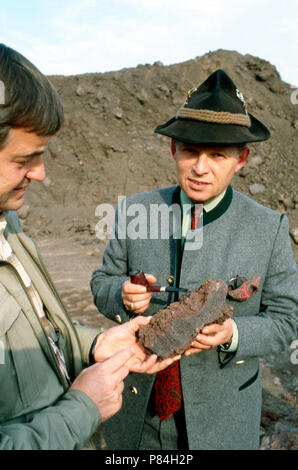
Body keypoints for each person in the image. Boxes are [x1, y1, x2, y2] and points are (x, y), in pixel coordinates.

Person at [91, 69, 298, 450]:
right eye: (190, 151)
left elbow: (287, 319)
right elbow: (102, 281)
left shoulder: (269, 228)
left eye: (217, 154)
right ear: (174, 150)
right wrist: (120, 294)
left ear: (242, 159)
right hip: (136, 414)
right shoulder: (136, 210)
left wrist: (232, 335)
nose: (200, 168)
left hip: (222, 420)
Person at [0, 44, 178, 450]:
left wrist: (95, 344)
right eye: (25, 159)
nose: (42, 174)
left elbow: (39, 334)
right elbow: (103, 281)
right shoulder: (136, 209)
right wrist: (83, 409)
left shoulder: (7, 222)